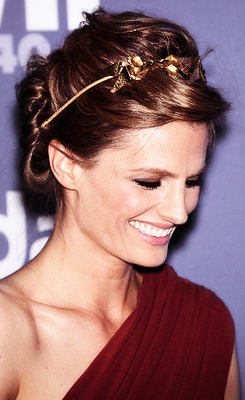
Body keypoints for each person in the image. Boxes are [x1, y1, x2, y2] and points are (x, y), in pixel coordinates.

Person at [0, 8, 240, 400]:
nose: (179, 211)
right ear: (67, 165)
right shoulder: (7, 332)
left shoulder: (206, 324)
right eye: (149, 182)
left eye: (192, 181)